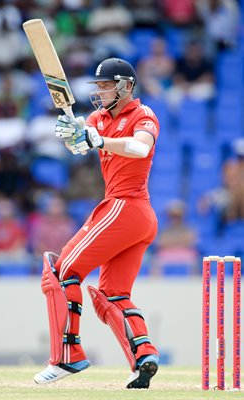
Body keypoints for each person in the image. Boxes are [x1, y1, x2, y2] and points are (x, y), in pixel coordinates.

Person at [34, 58, 160, 389]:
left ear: (127, 86)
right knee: (112, 293)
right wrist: (72, 133)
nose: (101, 92)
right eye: (99, 87)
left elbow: (139, 147)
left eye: (107, 86)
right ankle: (143, 357)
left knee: (60, 272)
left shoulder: (143, 115)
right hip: (136, 216)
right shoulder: (98, 118)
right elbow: (79, 146)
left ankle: (67, 356)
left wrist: (98, 140)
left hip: (126, 206)